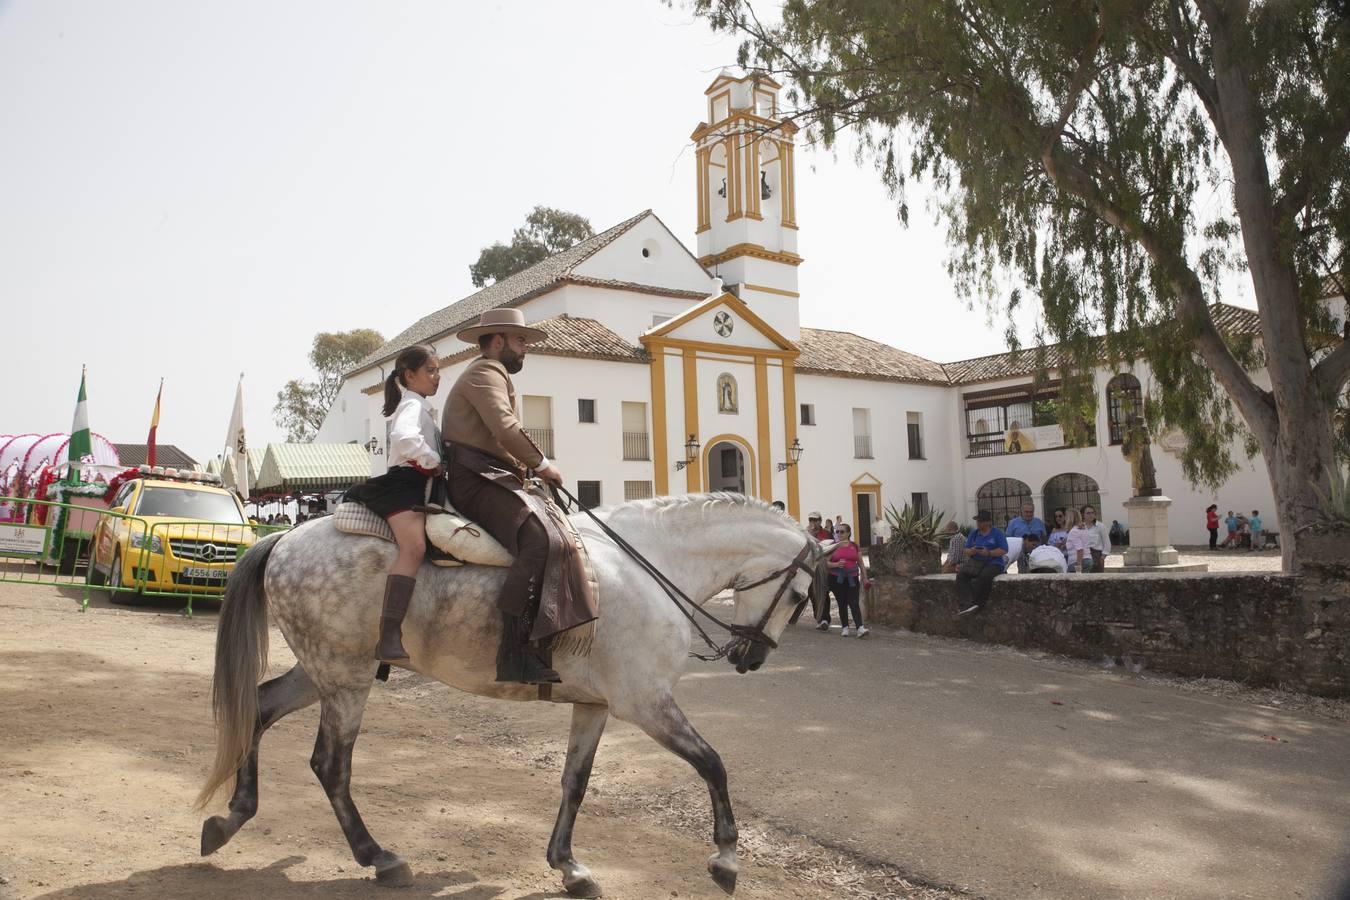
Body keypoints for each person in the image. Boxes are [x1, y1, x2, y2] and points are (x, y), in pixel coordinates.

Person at [442, 309, 598, 685]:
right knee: (539, 539)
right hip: (475, 479)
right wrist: (543, 465)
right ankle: (513, 652)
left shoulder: (490, 374)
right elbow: (505, 427)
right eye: (520, 341)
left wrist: (526, 470)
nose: (525, 348)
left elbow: (500, 437)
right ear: (498, 340)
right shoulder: (484, 372)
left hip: (489, 474)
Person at [342, 344, 442, 664]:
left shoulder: (419, 404)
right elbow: (403, 438)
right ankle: (388, 635)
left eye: (438, 370)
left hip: (415, 482)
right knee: (413, 549)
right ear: (410, 376)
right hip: (404, 484)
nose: (437, 376)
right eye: (430, 370)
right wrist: (434, 459)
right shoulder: (412, 405)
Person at [956, 510, 1007, 614]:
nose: (978, 523)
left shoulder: (997, 533)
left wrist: (988, 553)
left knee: (984, 577)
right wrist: (972, 551)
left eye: (981, 521)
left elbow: (1004, 549)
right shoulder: (974, 534)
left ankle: (977, 604)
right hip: (976, 562)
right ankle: (967, 604)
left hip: (994, 563)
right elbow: (966, 550)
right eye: (978, 521)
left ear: (988, 522)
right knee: (961, 575)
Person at [824, 522, 868, 637]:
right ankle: (845, 627)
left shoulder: (854, 545)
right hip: (836, 579)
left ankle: (860, 628)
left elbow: (861, 563)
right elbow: (825, 563)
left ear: (848, 533)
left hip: (852, 578)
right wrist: (836, 564)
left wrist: (865, 578)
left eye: (842, 531)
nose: (839, 534)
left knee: (854, 602)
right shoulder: (833, 546)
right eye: (837, 531)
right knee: (842, 603)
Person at [1004, 502, 1046, 573]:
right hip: (1021, 556)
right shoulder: (1013, 523)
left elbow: (1044, 538)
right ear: (1022, 511)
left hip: (1037, 554)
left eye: (1031, 512)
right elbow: (1008, 539)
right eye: (1027, 512)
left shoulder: (1039, 522)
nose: (1029, 514)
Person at [1064, 507, 1093, 573]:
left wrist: (1078, 567)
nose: (1065, 518)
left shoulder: (1074, 531)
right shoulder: (1083, 528)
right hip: (1088, 559)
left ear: (1069, 518)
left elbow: (1080, 549)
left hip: (1077, 561)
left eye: (1066, 516)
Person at [1082, 504, 1110, 572]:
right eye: (1088, 513)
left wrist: (1102, 557)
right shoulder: (1081, 527)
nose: (1091, 515)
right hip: (1084, 556)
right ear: (1083, 515)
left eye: (1092, 513)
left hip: (1097, 555)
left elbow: (1107, 543)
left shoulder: (1100, 526)